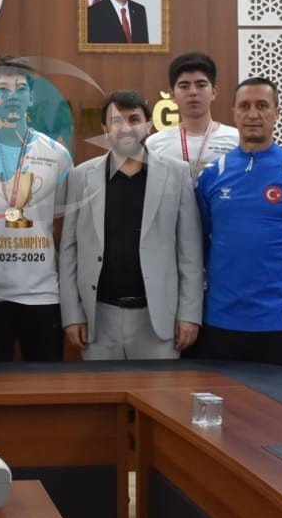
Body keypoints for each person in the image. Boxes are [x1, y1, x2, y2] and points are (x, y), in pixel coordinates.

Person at [194, 78, 282, 367]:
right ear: (233, 113)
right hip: (222, 318)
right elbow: (200, 239)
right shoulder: (212, 174)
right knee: (223, 397)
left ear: (276, 112)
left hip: (280, 320)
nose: (253, 114)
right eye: (244, 106)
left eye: (262, 106)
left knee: (281, 399)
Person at [59, 90, 202, 359]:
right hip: (98, 319)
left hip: (158, 320)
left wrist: (189, 314)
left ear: (148, 126)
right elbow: (69, 251)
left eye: (134, 119)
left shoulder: (177, 173)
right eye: (116, 121)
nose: (125, 128)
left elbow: (190, 253)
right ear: (105, 129)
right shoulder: (81, 176)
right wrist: (72, 314)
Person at [0, 57, 73, 362]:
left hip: (43, 293)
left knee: (46, 383)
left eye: (20, 88)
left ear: (31, 97)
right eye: (3, 88)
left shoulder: (57, 155)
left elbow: (61, 226)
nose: (11, 95)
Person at [147, 52, 240, 180]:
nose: (193, 92)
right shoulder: (155, 144)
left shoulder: (236, 140)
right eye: (184, 86)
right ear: (172, 94)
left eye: (201, 85)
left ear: (214, 92)